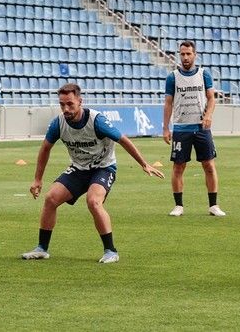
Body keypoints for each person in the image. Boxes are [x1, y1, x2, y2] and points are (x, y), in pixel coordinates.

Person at [21, 83, 164, 263]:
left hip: (104, 167)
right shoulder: (58, 123)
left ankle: (111, 251)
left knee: (93, 201)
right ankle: (42, 248)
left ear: (80, 101)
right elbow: (45, 149)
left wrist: (144, 164)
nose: (66, 108)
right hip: (79, 168)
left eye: (70, 104)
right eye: (62, 104)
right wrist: (37, 179)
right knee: (51, 199)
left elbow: (123, 139)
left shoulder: (97, 121)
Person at [162, 40, 226, 217]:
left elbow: (212, 98)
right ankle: (179, 206)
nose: (185, 57)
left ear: (195, 55)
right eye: (182, 54)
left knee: (209, 165)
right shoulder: (172, 77)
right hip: (181, 128)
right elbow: (168, 103)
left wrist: (208, 116)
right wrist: (166, 128)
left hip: (201, 128)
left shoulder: (204, 74)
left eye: (188, 54)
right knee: (178, 167)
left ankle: (213, 205)